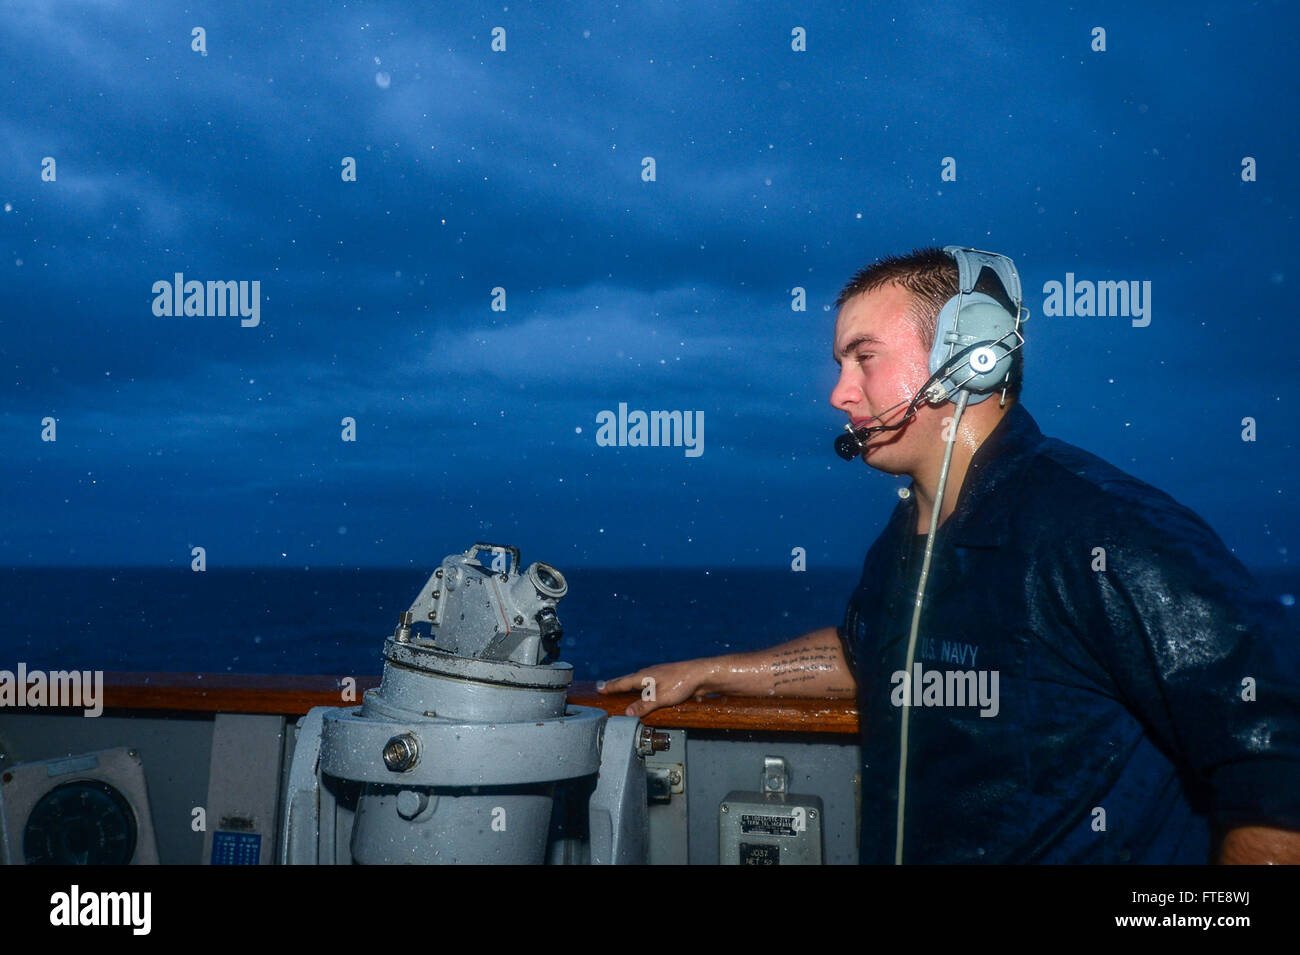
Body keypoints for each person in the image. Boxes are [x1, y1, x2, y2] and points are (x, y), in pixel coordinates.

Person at [598, 246, 1300, 864]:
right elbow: (870, 651)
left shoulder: (1104, 529)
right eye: (840, 365)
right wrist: (709, 671)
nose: (839, 393)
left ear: (971, 355)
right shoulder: (910, 533)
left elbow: (1276, 759)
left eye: (864, 358)